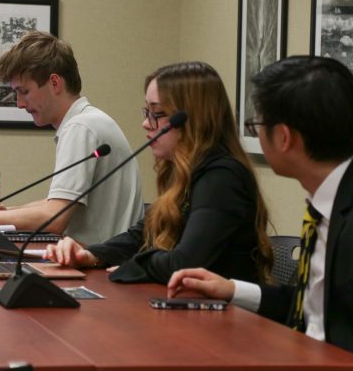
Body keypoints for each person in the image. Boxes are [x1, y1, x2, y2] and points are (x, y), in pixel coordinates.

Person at [167, 56, 353, 370]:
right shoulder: (332, 199)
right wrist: (233, 290)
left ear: (284, 137)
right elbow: (319, 306)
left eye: (257, 125)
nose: (255, 131)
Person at [44, 61, 273, 284]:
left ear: (192, 119)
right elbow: (144, 234)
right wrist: (92, 255)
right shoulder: (185, 170)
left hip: (231, 317)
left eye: (157, 113)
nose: (145, 123)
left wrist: (134, 265)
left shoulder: (221, 177)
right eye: (146, 111)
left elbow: (185, 263)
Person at [0, 31, 144, 245]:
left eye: (24, 92)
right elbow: (55, 204)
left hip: (98, 271)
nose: (20, 104)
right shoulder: (88, 121)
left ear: (54, 83)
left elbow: (54, 218)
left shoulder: (81, 127)